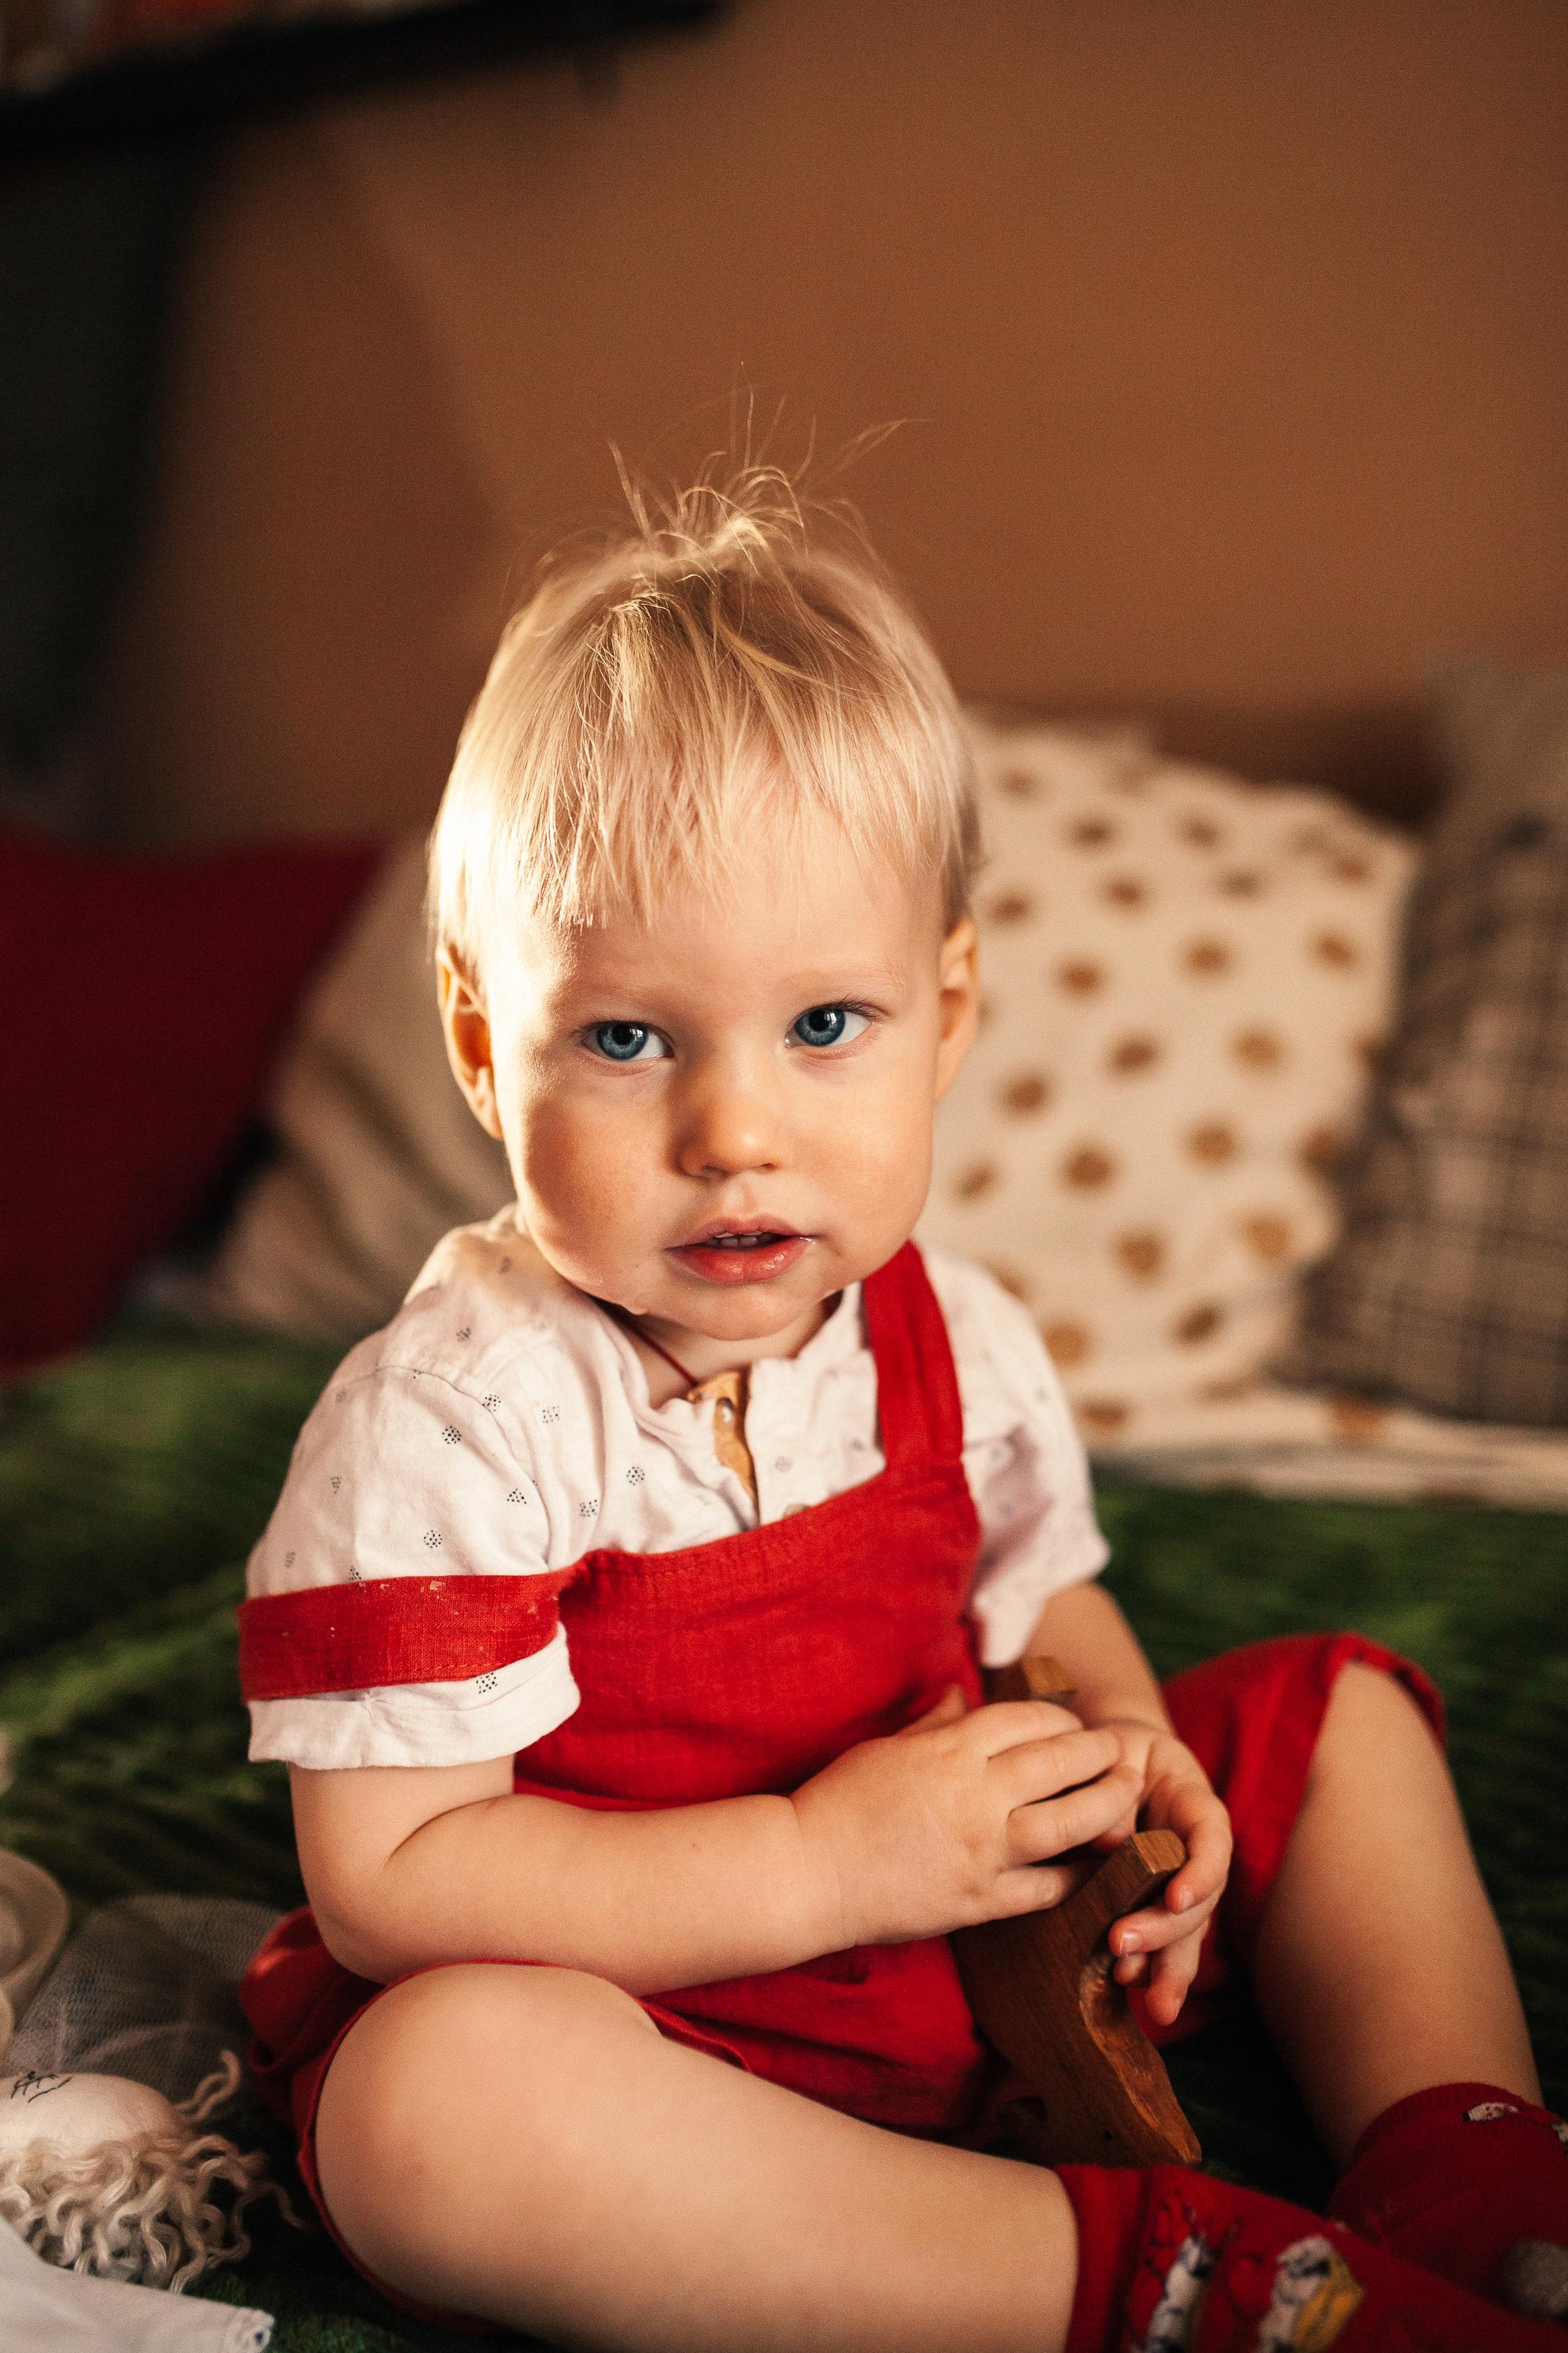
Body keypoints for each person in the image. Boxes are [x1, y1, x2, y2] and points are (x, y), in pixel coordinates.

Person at [238, 474, 1568, 2352]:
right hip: (661, 2025)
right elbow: (389, 1882)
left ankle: (1469, 2170)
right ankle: (1156, 2284)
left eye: (826, 1025)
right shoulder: (450, 1419)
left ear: (948, 1011)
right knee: (422, 2104)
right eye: (628, 1037)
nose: (736, 1131)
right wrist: (816, 1865)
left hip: (971, 1938)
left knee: (1340, 1714)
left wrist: (1123, 1751)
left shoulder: (955, 1337)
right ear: (479, 1040)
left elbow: (1037, 1603)